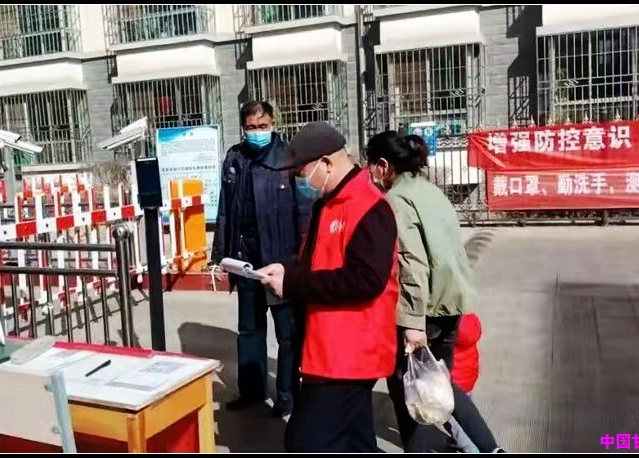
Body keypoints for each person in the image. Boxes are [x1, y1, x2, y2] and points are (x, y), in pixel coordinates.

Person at [257, 122, 399, 452]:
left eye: (302, 171)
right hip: (326, 347)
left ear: (326, 163)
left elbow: (365, 280)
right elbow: (317, 263)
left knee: (304, 443)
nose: (300, 180)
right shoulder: (326, 205)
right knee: (354, 440)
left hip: (349, 354)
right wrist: (288, 271)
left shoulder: (371, 208)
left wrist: (293, 283)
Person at [365, 131, 502, 453]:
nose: (370, 173)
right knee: (442, 385)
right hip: (451, 303)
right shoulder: (430, 191)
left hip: (424, 310)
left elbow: (412, 262)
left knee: (409, 389)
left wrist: (412, 323)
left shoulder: (397, 200)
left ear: (383, 165)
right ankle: (491, 449)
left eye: (371, 166)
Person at [210, 100, 312, 417]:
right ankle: (252, 391)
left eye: (262, 126)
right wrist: (221, 255)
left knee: (288, 335)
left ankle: (287, 395)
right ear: (243, 128)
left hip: (281, 262)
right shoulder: (234, 158)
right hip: (246, 261)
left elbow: (306, 214)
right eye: (251, 127)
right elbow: (225, 211)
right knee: (249, 331)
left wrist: (302, 260)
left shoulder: (289, 158)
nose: (257, 132)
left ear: (273, 124)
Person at [450, 312, 483, 453]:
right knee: (466, 410)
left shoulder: (452, 330)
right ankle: (464, 440)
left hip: (455, 382)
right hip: (469, 378)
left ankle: (469, 447)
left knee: (453, 420)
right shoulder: (471, 320)